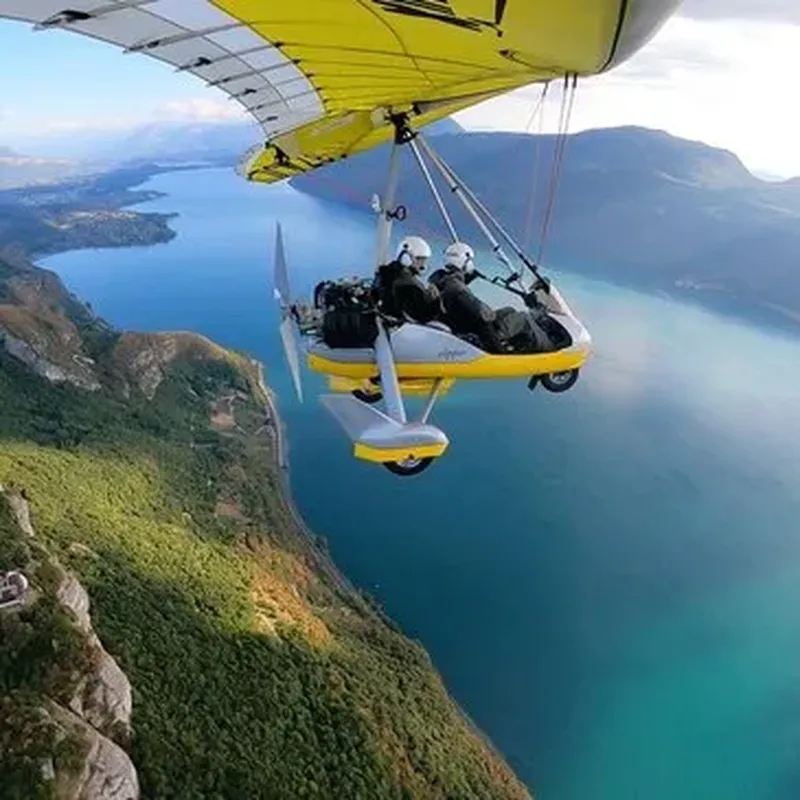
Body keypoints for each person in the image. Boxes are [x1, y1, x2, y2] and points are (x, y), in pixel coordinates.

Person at [429, 241, 564, 354]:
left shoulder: (443, 280)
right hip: (481, 332)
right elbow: (482, 314)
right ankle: (549, 348)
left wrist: (469, 276)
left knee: (509, 310)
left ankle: (515, 343)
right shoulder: (457, 288)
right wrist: (490, 313)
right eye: (470, 261)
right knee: (524, 318)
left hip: (466, 323)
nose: (471, 264)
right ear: (464, 261)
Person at [373, 235, 442, 324]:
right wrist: (435, 301)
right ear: (406, 257)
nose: (423, 264)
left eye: (424, 259)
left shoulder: (388, 273)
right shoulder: (406, 283)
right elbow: (420, 316)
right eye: (419, 259)